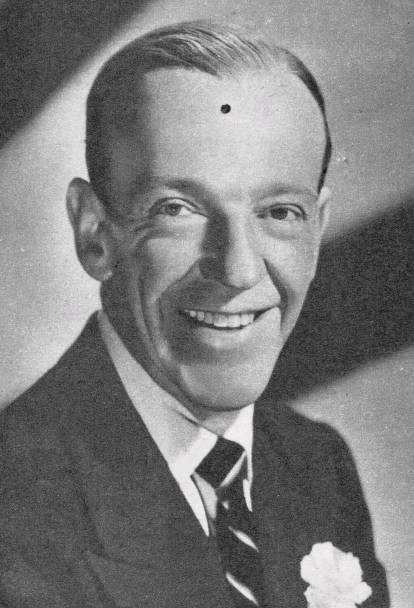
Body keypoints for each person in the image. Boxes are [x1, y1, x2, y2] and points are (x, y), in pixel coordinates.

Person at [0, 21, 389, 608]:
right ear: (94, 232)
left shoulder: (316, 465)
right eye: (178, 209)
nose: (239, 270)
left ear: (319, 228)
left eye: (280, 212)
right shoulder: (17, 503)